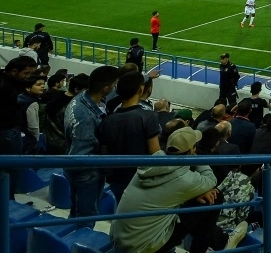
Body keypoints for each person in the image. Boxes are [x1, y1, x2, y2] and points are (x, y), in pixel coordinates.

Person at [111, 126, 246, 253]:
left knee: (202, 198)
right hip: (143, 246)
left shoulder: (153, 160)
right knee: (215, 197)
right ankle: (217, 244)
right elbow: (211, 179)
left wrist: (195, 192)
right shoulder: (185, 179)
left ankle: (217, 241)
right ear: (192, 150)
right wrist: (193, 158)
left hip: (118, 238)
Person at [65, 65, 122, 218]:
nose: (116, 87)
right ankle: (80, 239)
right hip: (86, 173)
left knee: (75, 210)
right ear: (105, 88)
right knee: (87, 216)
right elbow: (82, 152)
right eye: (115, 84)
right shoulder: (88, 117)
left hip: (72, 166)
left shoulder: (79, 100)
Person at [99, 70, 163, 202]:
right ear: (141, 89)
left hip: (117, 181)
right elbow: (155, 155)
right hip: (140, 180)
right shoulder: (148, 117)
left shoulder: (107, 120)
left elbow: (104, 154)